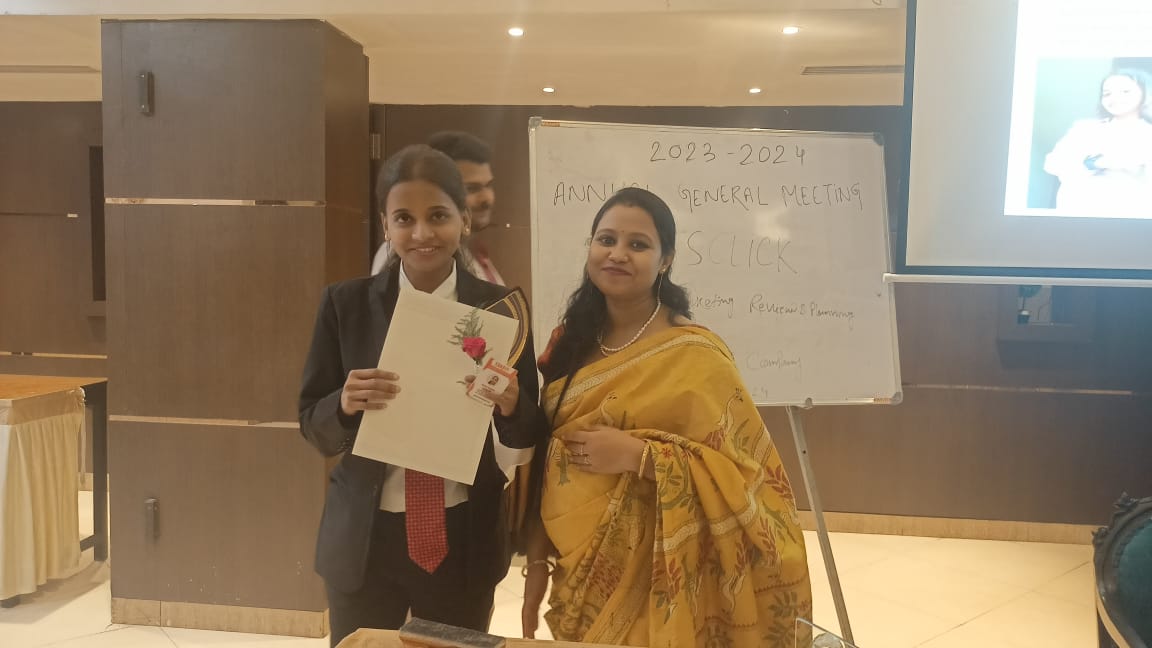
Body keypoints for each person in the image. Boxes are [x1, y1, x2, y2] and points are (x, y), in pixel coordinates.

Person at [520, 188, 812, 647]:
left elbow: (747, 480)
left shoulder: (696, 355)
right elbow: (544, 459)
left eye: (638, 244)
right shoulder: (568, 343)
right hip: (578, 567)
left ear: (666, 260)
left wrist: (640, 456)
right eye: (606, 239)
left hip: (661, 577)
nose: (618, 254)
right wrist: (537, 562)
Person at [299, 144, 542, 647]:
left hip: (463, 535)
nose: (422, 233)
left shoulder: (501, 311)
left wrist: (511, 404)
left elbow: (526, 433)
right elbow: (312, 424)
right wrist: (343, 404)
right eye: (404, 219)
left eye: (438, 216)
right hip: (365, 540)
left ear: (464, 220)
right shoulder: (345, 305)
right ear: (385, 226)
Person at [372, 131, 503, 284]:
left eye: (488, 185)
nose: (486, 198)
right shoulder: (403, 256)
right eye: (471, 188)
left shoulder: (472, 253)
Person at [1043, 68, 1152, 216]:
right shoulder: (1084, 129)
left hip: (1128, 215)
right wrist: (1095, 163)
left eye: (1125, 91)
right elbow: (1052, 164)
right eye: (1107, 93)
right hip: (1077, 211)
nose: (1114, 98)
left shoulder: (1147, 133)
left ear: (1145, 94)